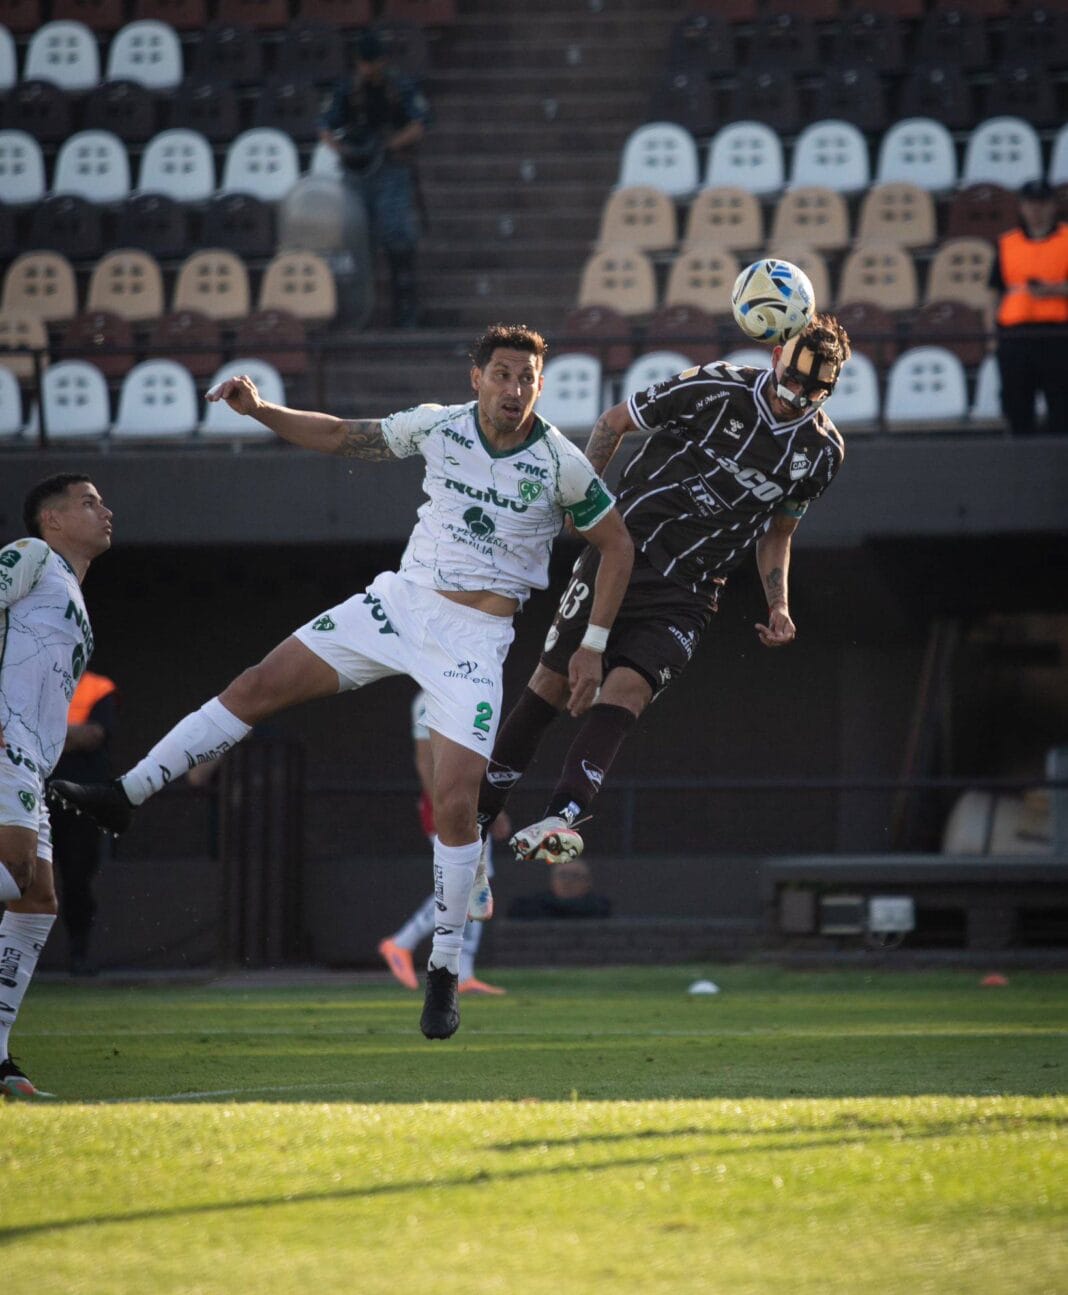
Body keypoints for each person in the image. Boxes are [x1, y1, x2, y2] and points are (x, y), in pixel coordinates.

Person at [51, 324, 634, 1042]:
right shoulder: (439, 426)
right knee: (259, 682)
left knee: (458, 805)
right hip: (399, 605)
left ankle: (444, 967)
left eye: (528, 378)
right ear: (475, 377)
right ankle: (125, 793)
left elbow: (618, 544)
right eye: (503, 374)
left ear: (540, 387)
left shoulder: (560, 463)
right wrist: (262, 410)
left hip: (476, 639)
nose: (515, 389)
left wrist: (594, 645)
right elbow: (341, 435)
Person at [476, 312, 852, 865]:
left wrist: (779, 602)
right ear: (776, 360)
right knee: (552, 686)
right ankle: (476, 821)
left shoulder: (822, 453)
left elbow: (779, 531)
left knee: (627, 691)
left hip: (693, 590)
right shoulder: (715, 387)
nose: (795, 397)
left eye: (812, 391)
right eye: (791, 381)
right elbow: (612, 421)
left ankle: (563, 815)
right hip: (624, 554)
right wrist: (586, 504)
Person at [0, 474, 113, 1098]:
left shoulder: (71, 589)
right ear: (51, 520)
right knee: (18, 875)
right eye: (89, 503)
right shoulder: (31, 554)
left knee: (38, 898)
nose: (106, 511)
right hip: (5, 741)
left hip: (33, 764)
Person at [378, 690, 508, 996]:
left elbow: (478, 761)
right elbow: (426, 760)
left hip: (472, 801)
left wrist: (493, 805)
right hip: (448, 804)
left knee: (477, 880)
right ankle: (402, 943)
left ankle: (463, 973)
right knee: (466, 880)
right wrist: (443, 807)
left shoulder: (477, 686)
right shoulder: (430, 697)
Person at [319, 27, 432, 328]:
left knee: (397, 236)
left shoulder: (400, 87)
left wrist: (389, 144)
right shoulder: (347, 89)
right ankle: (360, 313)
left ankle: (405, 310)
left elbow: (420, 123)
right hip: (357, 170)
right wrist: (346, 150)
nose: (369, 68)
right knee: (356, 239)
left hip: (391, 167)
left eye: (373, 61)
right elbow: (325, 126)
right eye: (364, 62)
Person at [46, 669, 119, 975]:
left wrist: (47, 735)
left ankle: (79, 953)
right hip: (34, 795)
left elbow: (94, 735)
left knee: (77, 878)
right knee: (22, 876)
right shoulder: (30, 680)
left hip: (81, 801)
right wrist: (70, 734)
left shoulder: (97, 687)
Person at [991, 178, 1068, 436]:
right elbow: (995, 292)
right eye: (1030, 204)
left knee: (1062, 407)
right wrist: (993, 336)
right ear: (1022, 207)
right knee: (1017, 406)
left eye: (1042, 203)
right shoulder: (1006, 243)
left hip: (1058, 334)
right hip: (1016, 336)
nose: (1036, 210)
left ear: (1053, 206)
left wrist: (1054, 290)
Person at [507, 859, 612, 920]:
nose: (568, 881)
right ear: (552, 880)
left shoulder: (601, 911)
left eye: (575, 876)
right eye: (563, 875)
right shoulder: (529, 909)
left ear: (587, 883)